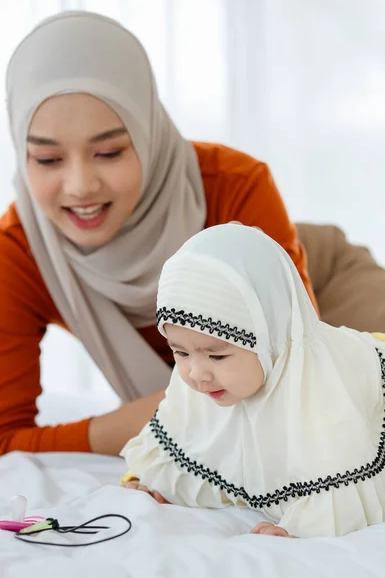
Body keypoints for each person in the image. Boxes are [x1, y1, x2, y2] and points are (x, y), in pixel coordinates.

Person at [0, 10, 318, 459]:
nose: (80, 186)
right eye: (48, 159)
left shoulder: (236, 188)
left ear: (147, 132)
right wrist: (168, 420)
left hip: (318, 280)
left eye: (109, 151)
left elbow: (303, 379)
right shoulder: (20, 248)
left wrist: (170, 415)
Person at [121, 224, 385, 538]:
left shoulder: (323, 392)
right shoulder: (198, 382)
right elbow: (183, 438)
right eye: (180, 352)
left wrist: (299, 528)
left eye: (217, 356)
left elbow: (341, 490)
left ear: (270, 339)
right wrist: (156, 480)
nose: (196, 373)